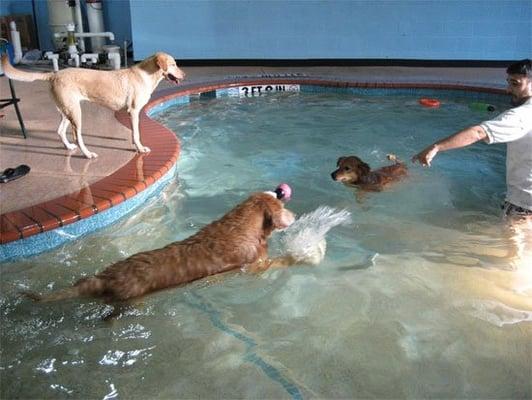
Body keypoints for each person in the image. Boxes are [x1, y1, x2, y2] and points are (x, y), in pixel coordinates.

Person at [412, 59, 532, 221]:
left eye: (515, 84)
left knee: (515, 245)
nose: (508, 89)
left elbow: (478, 132)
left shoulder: (521, 116)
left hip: (524, 204)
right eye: (508, 83)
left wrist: (436, 147)